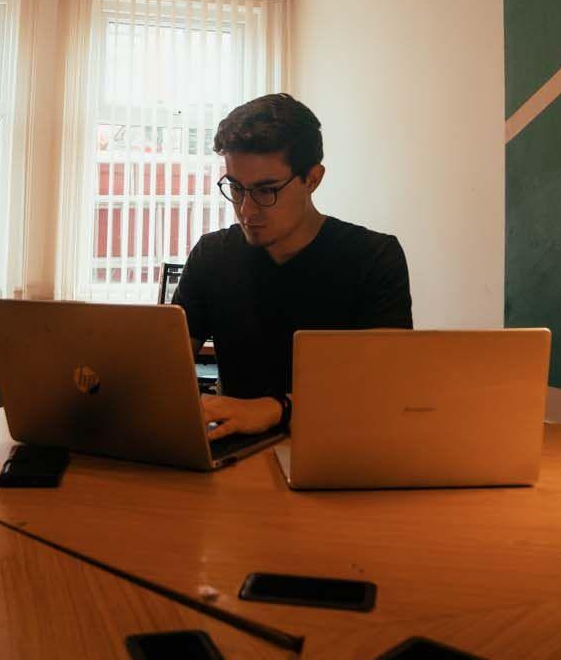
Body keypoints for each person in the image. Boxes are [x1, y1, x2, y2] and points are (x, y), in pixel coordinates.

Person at [173, 93, 412, 441]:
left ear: (312, 179)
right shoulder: (212, 255)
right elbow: (164, 370)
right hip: (233, 454)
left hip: (340, 447)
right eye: (236, 188)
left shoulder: (373, 257)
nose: (246, 210)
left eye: (266, 190)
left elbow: (384, 388)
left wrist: (275, 409)